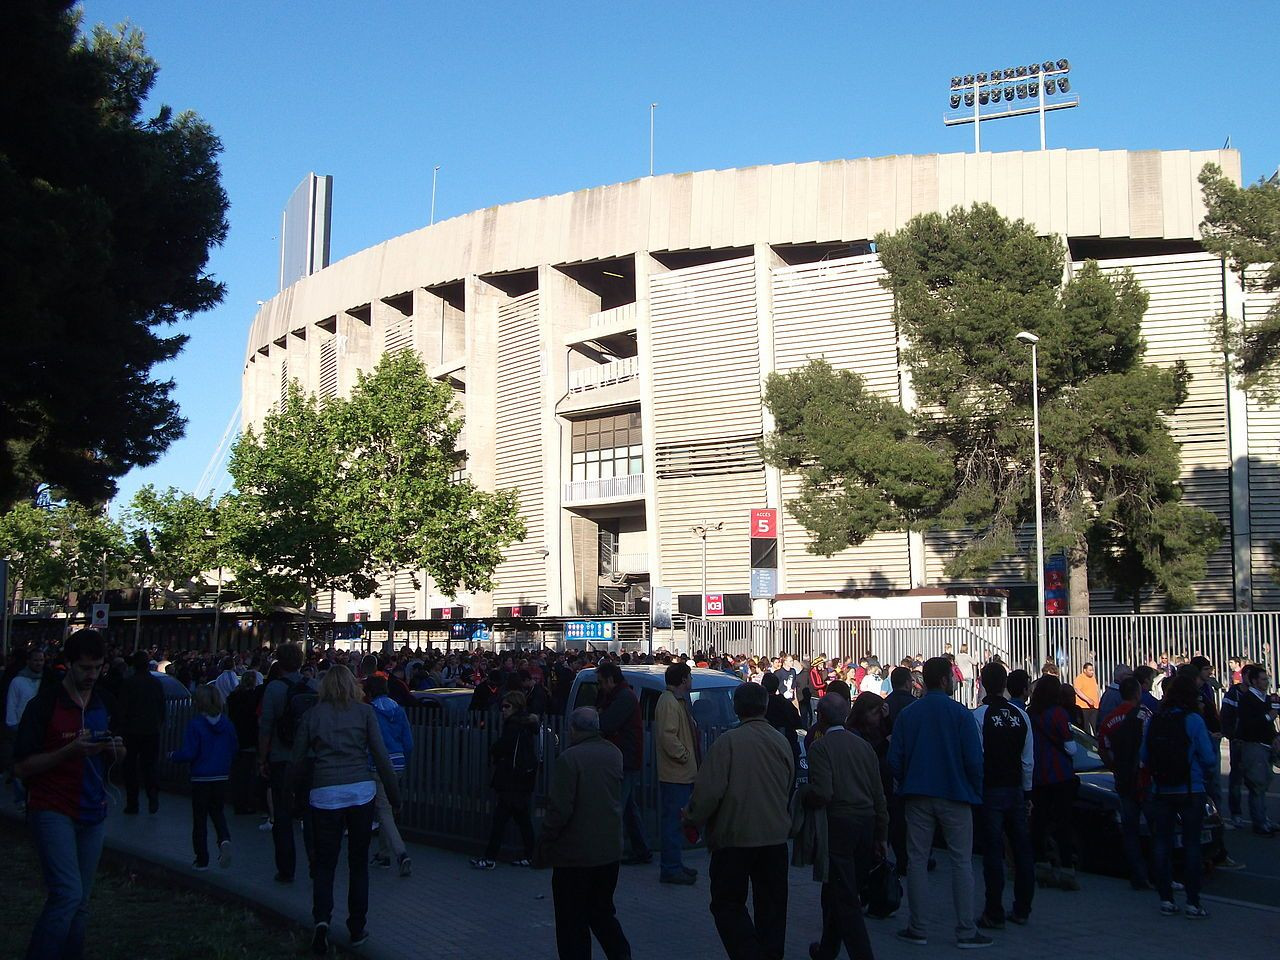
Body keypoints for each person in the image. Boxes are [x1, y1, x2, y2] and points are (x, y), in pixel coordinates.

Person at [14, 629, 125, 960]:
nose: (91, 676)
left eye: (97, 668)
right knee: (67, 894)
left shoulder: (105, 702)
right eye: (85, 668)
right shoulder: (44, 705)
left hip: (93, 809)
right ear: (68, 665)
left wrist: (115, 750)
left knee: (81, 901)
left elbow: (120, 751)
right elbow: (20, 767)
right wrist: (69, 751)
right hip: (52, 807)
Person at [292, 664, 400, 954]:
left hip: (324, 791)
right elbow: (380, 755)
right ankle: (356, 926)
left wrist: (294, 794)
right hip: (360, 791)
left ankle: (322, 920)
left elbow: (298, 759)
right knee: (358, 863)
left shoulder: (312, 715)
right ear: (354, 685)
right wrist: (393, 793)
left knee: (325, 863)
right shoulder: (364, 713)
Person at [684, 682, 794, 960]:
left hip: (735, 836)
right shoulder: (780, 741)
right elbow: (788, 785)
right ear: (765, 706)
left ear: (736, 707)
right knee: (772, 906)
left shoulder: (728, 743)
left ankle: (748, 953)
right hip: (774, 837)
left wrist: (693, 817)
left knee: (727, 903)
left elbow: (708, 791)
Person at [887, 656, 989, 949]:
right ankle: (966, 929)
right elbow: (974, 759)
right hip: (956, 795)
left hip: (917, 794)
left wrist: (907, 779)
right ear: (945, 680)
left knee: (916, 860)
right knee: (961, 862)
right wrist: (975, 790)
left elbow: (896, 759)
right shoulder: (961, 714)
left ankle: (918, 927)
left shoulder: (910, 714)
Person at [536, 707, 631, 960]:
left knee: (571, 921)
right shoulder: (614, 753)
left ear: (574, 729)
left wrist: (546, 837)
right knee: (601, 913)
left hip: (575, 854)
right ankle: (621, 954)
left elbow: (560, 809)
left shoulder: (570, 759)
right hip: (609, 849)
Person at [805, 694, 887, 960]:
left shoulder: (821, 748)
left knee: (845, 897)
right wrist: (881, 835)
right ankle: (827, 949)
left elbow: (824, 792)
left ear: (820, 717)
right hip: (866, 822)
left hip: (838, 825)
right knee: (838, 892)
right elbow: (878, 794)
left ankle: (862, 954)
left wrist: (804, 796)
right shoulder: (864, 747)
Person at [1141, 670, 1216, 918]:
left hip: (1161, 788)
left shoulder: (1156, 719)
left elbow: (1144, 756)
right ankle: (1193, 902)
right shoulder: (1193, 720)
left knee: (1162, 842)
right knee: (1192, 843)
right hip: (1191, 788)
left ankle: (1166, 899)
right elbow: (1208, 758)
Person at [971, 662, 1034, 929]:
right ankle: (1023, 907)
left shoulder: (979, 715)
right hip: (1016, 789)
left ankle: (993, 910)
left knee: (994, 852)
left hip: (990, 789)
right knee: (1021, 849)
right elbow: (1028, 760)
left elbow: (977, 758)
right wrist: (1028, 791)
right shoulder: (1021, 715)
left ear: (983, 682)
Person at [258, 642, 314, 884]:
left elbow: (265, 727)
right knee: (311, 815)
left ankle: (286, 868)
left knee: (282, 815)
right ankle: (316, 864)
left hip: (282, 758)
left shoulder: (273, 689)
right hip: (309, 758)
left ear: (279, 663)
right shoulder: (313, 687)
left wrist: (262, 759)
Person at [168, 684, 238, 870]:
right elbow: (233, 747)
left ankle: (202, 859)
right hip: (221, 775)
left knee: (199, 819)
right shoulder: (227, 724)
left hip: (201, 776)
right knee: (217, 811)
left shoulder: (196, 724)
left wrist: (174, 756)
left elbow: (190, 752)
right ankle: (224, 838)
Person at [472, 690, 540, 869]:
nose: (503, 710)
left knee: (501, 819)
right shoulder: (526, 724)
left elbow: (504, 746)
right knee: (521, 818)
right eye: (502, 706)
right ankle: (531, 855)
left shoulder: (514, 725)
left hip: (512, 777)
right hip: (523, 776)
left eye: (506, 706)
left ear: (516, 706)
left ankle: (490, 858)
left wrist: (494, 749)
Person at [1096, 676, 1150, 889]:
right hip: (1145, 778)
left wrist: (1114, 766)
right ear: (1137, 693)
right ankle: (1157, 872)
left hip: (1123, 778)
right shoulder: (1145, 715)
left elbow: (1103, 748)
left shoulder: (1110, 719)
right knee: (1155, 828)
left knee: (1130, 829)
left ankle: (1137, 874)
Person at [596, 662, 651, 865]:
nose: (600, 686)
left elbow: (606, 723)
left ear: (611, 680)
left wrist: (598, 716)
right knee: (628, 807)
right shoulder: (618, 696)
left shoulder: (624, 698)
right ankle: (641, 849)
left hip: (624, 759)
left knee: (617, 806)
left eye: (602, 682)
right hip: (624, 757)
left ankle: (610, 851)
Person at [1028, 675, 1079, 891]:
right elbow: (1071, 748)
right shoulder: (1058, 713)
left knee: (1039, 822)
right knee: (1064, 823)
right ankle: (1067, 869)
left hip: (1038, 776)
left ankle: (1041, 865)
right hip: (1060, 776)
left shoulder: (1030, 714)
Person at [655, 661, 699, 884]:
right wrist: (685, 756)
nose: (691, 681)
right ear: (683, 680)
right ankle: (671, 867)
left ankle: (675, 864)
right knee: (673, 823)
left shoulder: (677, 701)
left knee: (677, 822)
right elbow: (668, 737)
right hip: (675, 774)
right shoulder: (670, 703)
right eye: (689, 677)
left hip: (681, 773)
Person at [366, 675, 413, 876]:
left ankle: (400, 852)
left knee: (383, 811)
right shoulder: (399, 710)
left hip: (378, 764)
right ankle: (383, 854)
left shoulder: (370, 711)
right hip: (398, 761)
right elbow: (408, 742)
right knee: (388, 809)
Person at [117, 650, 165, 815]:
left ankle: (133, 803)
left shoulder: (128, 683)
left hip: (132, 731)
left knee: (130, 767)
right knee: (150, 765)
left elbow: (122, 708)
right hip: (151, 730)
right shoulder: (156, 683)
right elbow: (162, 707)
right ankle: (153, 797)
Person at [1235, 663, 1279, 836]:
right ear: (1253, 681)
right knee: (1257, 785)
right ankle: (1259, 822)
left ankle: (1264, 819)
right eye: (1262, 679)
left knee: (1264, 783)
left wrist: (1275, 736)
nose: (1266, 682)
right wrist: (1269, 716)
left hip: (1267, 745)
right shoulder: (1247, 700)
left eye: (1267, 679)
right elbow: (1249, 725)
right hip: (1253, 746)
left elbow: (1269, 724)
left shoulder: (1266, 699)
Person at [5, 646, 46, 806]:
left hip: (40, 727)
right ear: (29, 661)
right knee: (20, 762)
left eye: (41, 660)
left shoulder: (46, 680)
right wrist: (13, 724)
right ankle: (21, 796)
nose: (38, 663)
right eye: (35, 660)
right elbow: (12, 703)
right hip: (20, 727)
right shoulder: (17, 681)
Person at [225, 671, 261, 815]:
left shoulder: (233, 697)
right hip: (250, 738)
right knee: (248, 773)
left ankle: (237, 801)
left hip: (236, 737)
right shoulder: (253, 698)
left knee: (237, 772)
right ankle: (246, 802)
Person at [1073, 663, 1100, 735]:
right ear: (1084, 670)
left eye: (1093, 670)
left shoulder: (1093, 678)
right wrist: (1087, 699)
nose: (1092, 672)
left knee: (1096, 727)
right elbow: (1077, 690)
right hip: (1084, 707)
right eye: (1090, 670)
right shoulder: (1080, 678)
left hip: (1094, 707)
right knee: (1085, 728)